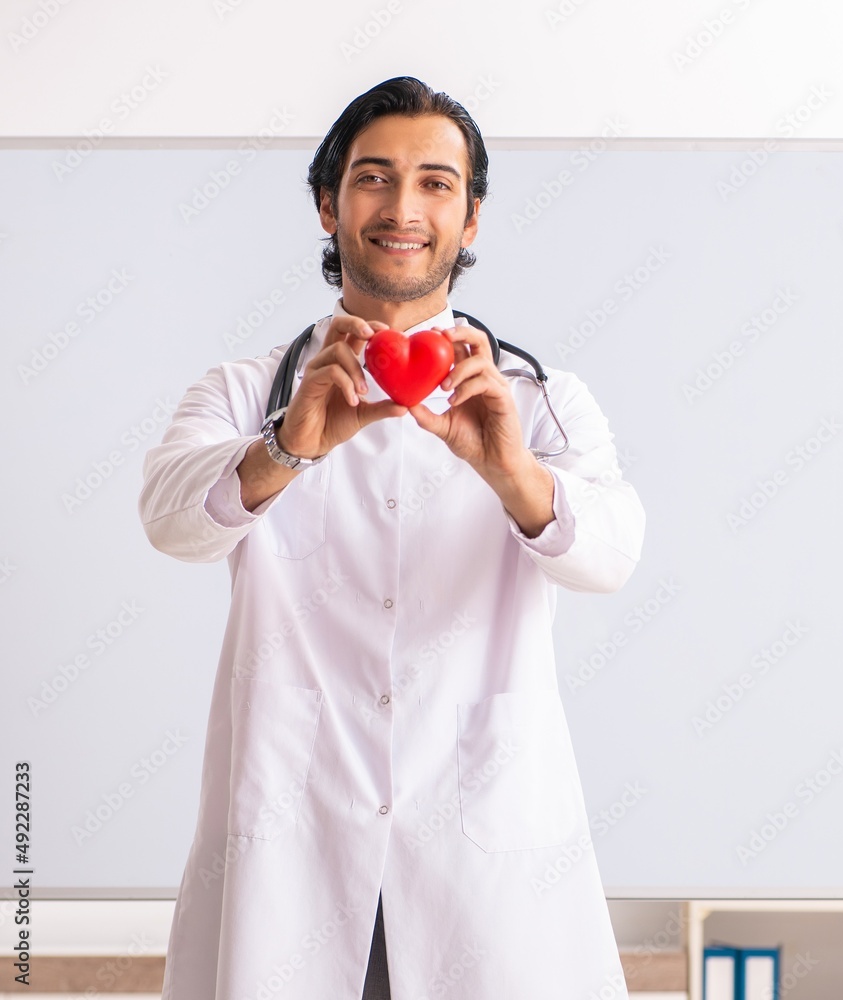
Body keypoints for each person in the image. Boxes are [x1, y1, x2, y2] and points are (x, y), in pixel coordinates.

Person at [139, 76, 645, 1000]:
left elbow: (611, 552)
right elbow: (171, 521)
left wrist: (512, 474)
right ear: (328, 205)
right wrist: (289, 447)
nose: (403, 207)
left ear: (473, 217)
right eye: (373, 178)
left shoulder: (541, 403)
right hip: (292, 857)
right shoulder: (247, 394)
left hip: (483, 870)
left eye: (435, 183)